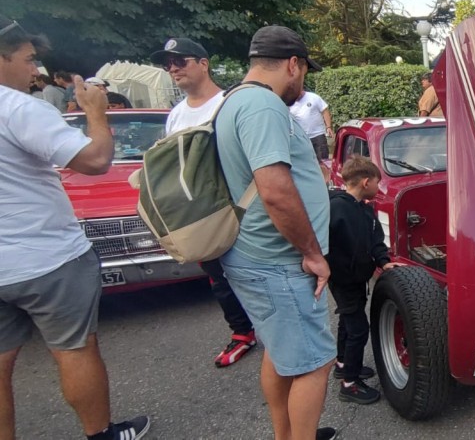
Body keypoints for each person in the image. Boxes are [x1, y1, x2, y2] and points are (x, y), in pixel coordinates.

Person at [0, 16, 150, 440]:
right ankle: (102, 435)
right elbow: (94, 160)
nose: (36, 70)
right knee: (75, 349)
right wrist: (95, 114)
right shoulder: (17, 107)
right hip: (46, 257)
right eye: (29, 59)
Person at [214, 25, 336, 440]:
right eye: (303, 73)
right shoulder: (263, 106)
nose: (302, 84)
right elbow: (276, 192)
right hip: (280, 263)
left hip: (254, 255)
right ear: (292, 64)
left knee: (282, 354)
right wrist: (313, 254)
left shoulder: (232, 100)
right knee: (314, 363)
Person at [149, 37, 258, 368]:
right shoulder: (176, 115)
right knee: (218, 279)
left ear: (203, 63)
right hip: (200, 214)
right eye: (167, 64)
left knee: (254, 273)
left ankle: (271, 328)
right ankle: (242, 333)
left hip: (240, 206)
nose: (172, 69)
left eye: (180, 61)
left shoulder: (229, 102)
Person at [327, 157, 399, 404]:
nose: (379, 187)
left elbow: (376, 240)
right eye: (378, 182)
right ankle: (350, 383)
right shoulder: (334, 208)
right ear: (366, 181)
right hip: (342, 279)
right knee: (358, 329)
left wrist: (382, 260)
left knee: (348, 321)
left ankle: (343, 362)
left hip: (358, 279)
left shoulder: (366, 210)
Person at [290, 89, 333, 160]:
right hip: (302, 139)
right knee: (306, 161)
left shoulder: (313, 97)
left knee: (323, 160)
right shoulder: (290, 103)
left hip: (318, 135)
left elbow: (325, 111)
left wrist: (328, 127)